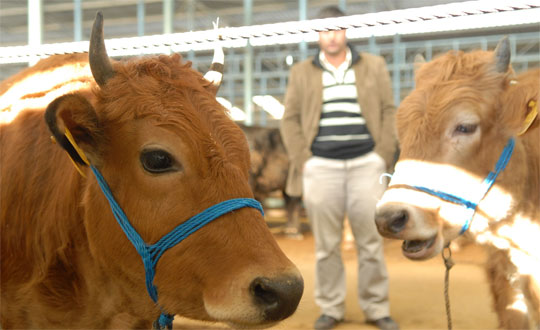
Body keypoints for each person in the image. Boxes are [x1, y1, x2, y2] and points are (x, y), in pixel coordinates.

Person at [280, 5, 398, 330]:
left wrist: (383, 155)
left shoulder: (373, 65)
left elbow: (389, 110)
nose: (331, 36)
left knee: (371, 242)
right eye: (324, 30)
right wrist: (305, 161)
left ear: (346, 32)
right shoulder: (302, 71)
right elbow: (289, 119)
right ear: (318, 34)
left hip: (366, 163)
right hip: (321, 166)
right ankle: (331, 308)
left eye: (337, 29)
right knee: (325, 246)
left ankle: (376, 308)